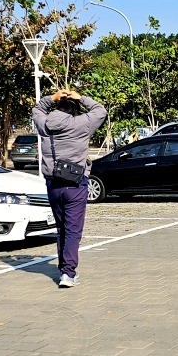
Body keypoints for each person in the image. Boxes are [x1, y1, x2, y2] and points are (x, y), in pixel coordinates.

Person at [33, 88, 107, 288]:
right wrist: (81, 97)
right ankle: (68, 273)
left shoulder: (45, 125)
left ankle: (64, 268)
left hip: (53, 184)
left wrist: (52, 98)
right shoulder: (80, 124)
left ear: (58, 107)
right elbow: (100, 111)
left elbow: (37, 109)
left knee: (61, 228)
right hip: (75, 183)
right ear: (74, 110)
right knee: (73, 230)